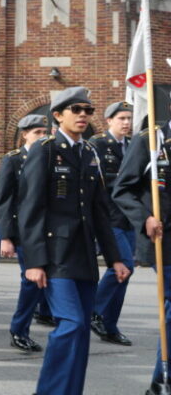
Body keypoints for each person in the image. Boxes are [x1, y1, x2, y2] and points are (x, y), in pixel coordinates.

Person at [18, 86, 129, 395]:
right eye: (76, 110)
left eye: (88, 110)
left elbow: (99, 211)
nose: (83, 115)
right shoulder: (45, 149)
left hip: (83, 255)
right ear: (58, 115)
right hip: (55, 256)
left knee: (81, 332)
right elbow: (31, 207)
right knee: (71, 324)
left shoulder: (89, 152)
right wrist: (35, 261)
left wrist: (116, 257)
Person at [113, 106, 171, 395]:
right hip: (166, 240)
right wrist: (145, 217)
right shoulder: (152, 141)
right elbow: (122, 189)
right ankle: (162, 379)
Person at [0, 114, 49, 353]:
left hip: (47, 230)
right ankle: (19, 330)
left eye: (44, 132)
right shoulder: (14, 160)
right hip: (23, 232)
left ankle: (46, 315)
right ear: (25, 135)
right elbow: (5, 200)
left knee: (46, 281)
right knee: (31, 282)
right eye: (37, 132)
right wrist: (6, 236)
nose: (42, 136)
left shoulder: (50, 155)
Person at [89, 101, 135, 346]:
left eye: (129, 118)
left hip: (129, 219)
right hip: (108, 217)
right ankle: (94, 309)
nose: (126, 123)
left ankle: (109, 325)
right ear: (109, 121)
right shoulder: (98, 145)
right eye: (121, 118)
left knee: (125, 272)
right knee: (123, 264)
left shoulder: (134, 145)